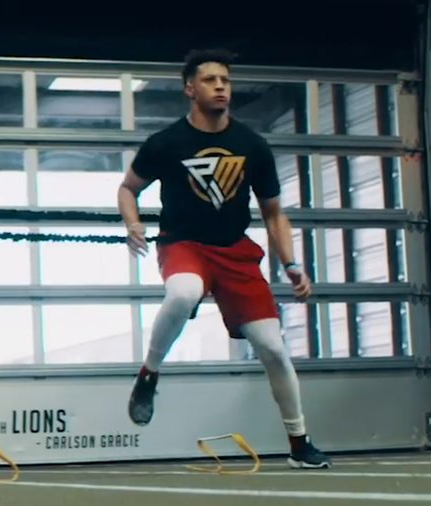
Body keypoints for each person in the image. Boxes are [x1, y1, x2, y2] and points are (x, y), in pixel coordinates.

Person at [117, 49, 332, 470]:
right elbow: (128, 188)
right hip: (185, 245)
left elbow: (273, 213)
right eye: (211, 80)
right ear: (190, 89)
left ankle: (299, 442)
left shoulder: (251, 146)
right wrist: (132, 224)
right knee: (183, 292)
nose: (220, 87)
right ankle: (149, 374)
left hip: (236, 254)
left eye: (226, 81)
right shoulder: (165, 143)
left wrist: (291, 264)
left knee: (273, 348)